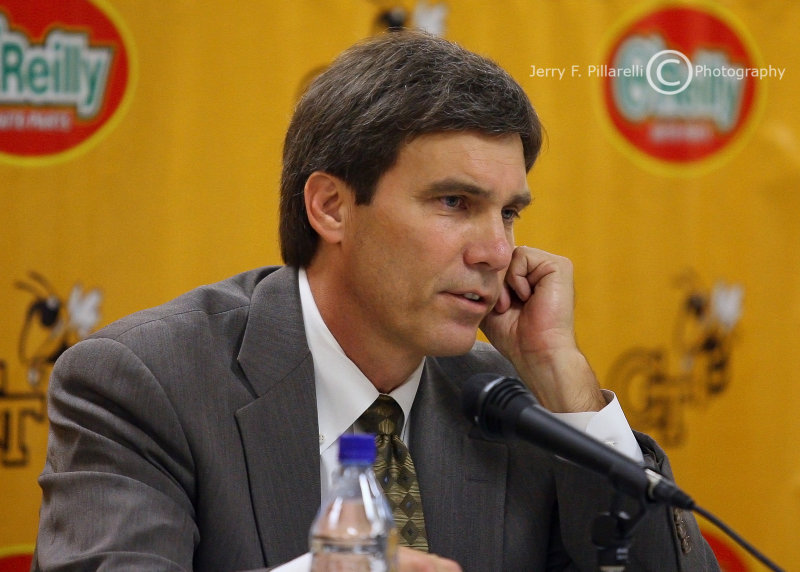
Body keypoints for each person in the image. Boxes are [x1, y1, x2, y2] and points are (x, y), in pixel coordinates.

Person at [32, 31, 719, 571]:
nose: (496, 252)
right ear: (331, 207)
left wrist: (565, 384)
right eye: (455, 202)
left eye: (508, 214)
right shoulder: (147, 383)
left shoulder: (519, 407)